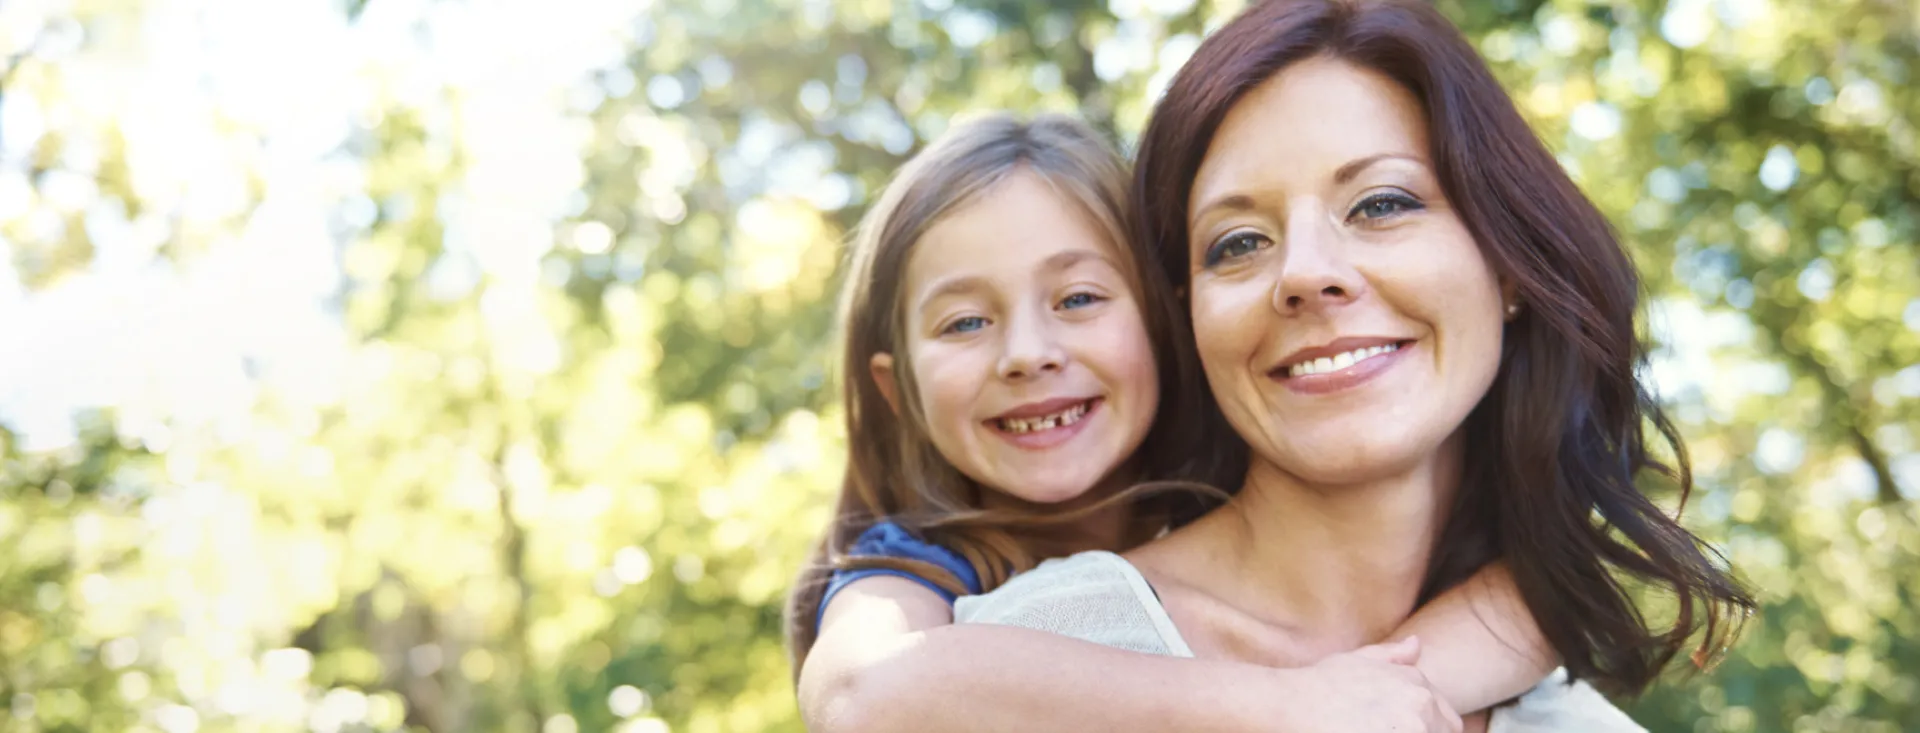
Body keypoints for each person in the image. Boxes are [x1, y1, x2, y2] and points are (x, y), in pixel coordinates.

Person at [954, 1, 1754, 731]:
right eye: (1238, 243)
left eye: (1381, 203)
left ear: (1508, 266)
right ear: (1191, 317)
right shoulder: (1027, 662)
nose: (1304, 272)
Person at [788, 111, 1560, 732]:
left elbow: (1548, 595)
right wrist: (1284, 705)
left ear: (1171, 324)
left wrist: (1387, 692)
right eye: (962, 323)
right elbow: (863, 694)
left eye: (1079, 299)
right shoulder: (914, 564)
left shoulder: (1225, 485)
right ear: (897, 390)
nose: (1026, 354)